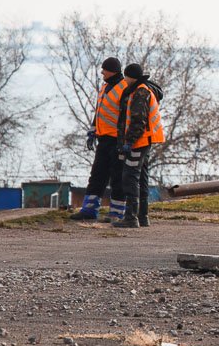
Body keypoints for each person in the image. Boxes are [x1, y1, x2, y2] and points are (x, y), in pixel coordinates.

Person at [70, 57, 126, 222]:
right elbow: (100, 111)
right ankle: (89, 209)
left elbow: (125, 116)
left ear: (112, 71)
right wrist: (93, 130)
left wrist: (124, 140)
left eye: (104, 69)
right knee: (97, 175)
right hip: (104, 139)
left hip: (117, 140)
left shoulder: (124, 88)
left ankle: (116, 213)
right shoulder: (105, 87)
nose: (102, 72)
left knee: (117, 177)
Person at [113, 63, 164, 229]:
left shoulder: (140, 92)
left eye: (126, 76)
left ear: (130, 77)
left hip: (139, 142)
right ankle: (143, 216)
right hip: (144, 141)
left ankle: (131, 217)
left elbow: (138, 121)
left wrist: (129, 142)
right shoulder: (141, 89)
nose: (124, 79)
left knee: (130, 178)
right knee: (141, 178)